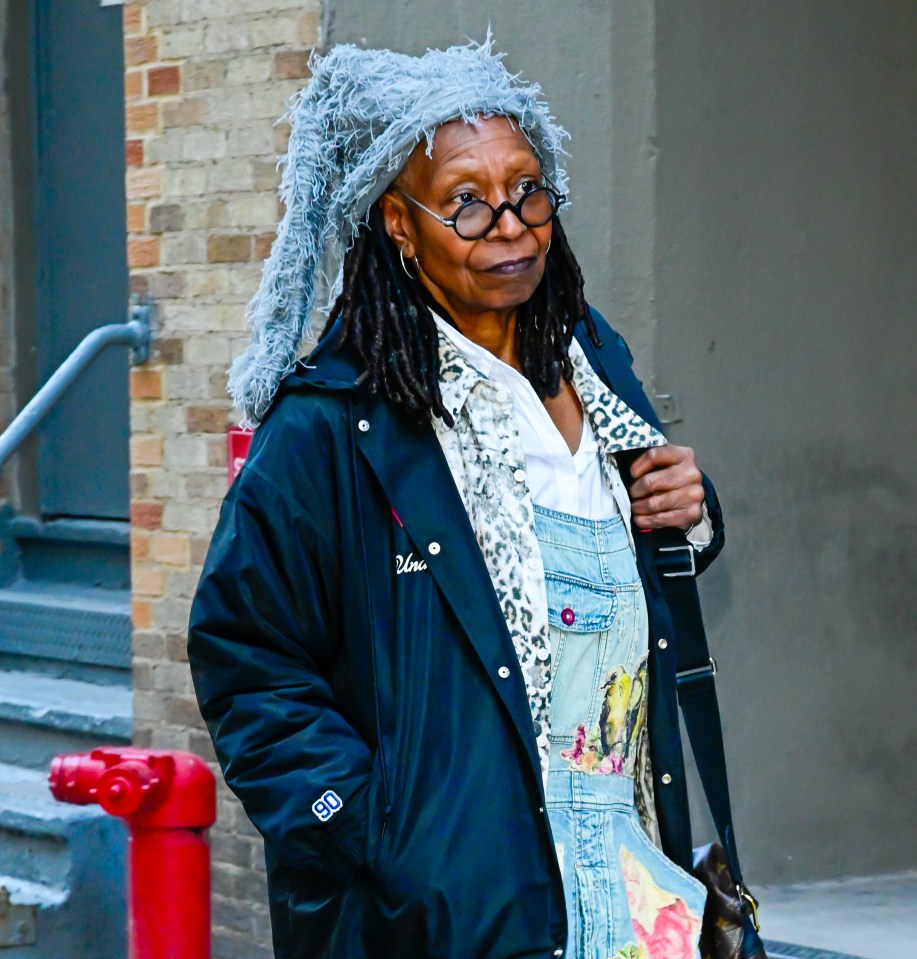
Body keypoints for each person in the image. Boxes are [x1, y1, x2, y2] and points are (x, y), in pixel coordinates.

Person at [189, 37, 724, 959]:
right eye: (465, 204)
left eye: (526, 189)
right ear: (399, 224)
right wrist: (380, 834)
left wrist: (691, 508)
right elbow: (247, 655)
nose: (509, 224)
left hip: (632, 875)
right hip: (454, 908)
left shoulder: (591, 357)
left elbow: (635, 542)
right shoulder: (334, 423)